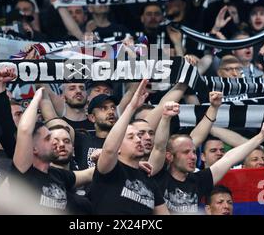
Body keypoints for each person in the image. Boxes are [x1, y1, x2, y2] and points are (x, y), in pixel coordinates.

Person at [88, 79, 169, 214]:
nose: (139, 140)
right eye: (131, 137)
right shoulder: (110, 169)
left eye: (139, 136)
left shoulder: (147, 178)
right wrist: (131, 107)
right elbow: (109, 150)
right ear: (118, 147)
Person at [10, 87, 94, 214]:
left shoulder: (58, 175)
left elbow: (89, 174)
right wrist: (36, 98)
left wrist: (106, 156)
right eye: (48, 138)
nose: (55, 142)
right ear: (34, 149)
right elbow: (25, 130)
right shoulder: (24, 173)